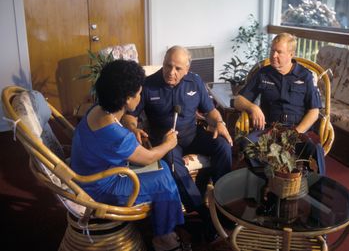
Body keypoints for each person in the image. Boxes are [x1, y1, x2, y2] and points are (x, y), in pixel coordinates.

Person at [70, 60, 186, 251]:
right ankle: (164, 238)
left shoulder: (97, 109)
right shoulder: (117, 135)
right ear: (126, 99)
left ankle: (163, 227)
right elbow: (149, 157)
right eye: (139, 93)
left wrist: (131, 130)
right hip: (99, 187)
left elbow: (115, 138)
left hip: (89, 172)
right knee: (164, 183)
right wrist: (169, 143)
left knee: (163, 170)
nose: (141, 97)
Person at [123, 45, 233, 241]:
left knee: (223, 146)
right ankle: (201, 212)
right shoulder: (148, 85)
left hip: (193, 134)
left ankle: (222, 203)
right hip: (166, 140)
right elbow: (130, 115)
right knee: (173, 164)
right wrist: (133, 128)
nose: (171, 72)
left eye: (177, 69)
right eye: (167, 66)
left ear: (187, 69)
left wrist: (220, 123)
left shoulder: (195, 81)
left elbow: (210, 111)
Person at [233, 32, 325, 174]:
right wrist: (253, 107)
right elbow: (238, 100)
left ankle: (317, 189)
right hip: (269, 130)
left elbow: (314, 112)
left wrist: (295, 134)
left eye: (279, 52)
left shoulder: (305, 76)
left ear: (291, 54)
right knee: (247, 144)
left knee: (315, 150)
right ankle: (267, 180)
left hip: (297, 130)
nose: (273, 55)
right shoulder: (264, 73)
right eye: (272, 50)